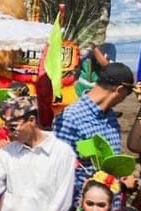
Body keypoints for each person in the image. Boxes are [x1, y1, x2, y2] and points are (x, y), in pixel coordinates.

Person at [54, 62, 133, 199]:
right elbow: (58, 169)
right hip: (81, 207)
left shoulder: (111, 118)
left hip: (111, 206)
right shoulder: (70, 118)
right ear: (119, 90)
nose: (123, 100)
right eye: (127, 94)